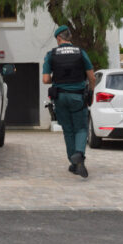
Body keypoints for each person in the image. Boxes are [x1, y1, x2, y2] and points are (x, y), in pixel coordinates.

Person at [42, 25, 96, 178]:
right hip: (78, 97)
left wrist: (58, 78)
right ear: (69, 37)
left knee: (68, 130)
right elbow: (92, 77)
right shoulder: (80, 53)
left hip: (60, 97)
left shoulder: (51, 54)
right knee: (81, 128)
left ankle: (74, 163)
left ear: (59, 39)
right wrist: (91, 91)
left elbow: (45, 79)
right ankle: (79, 154)